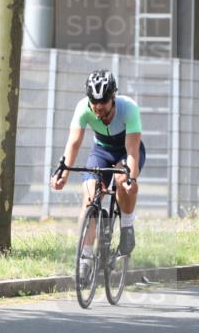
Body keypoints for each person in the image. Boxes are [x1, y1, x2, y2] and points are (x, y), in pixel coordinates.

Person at [50, 70, 145, 274]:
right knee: (90, 197)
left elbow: (132, 151)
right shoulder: (82, 108)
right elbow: (74, 143)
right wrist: (63, 174)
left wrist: (131, 179)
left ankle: (127, 225)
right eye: (94, 103)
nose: (98, 108)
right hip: (101, 151)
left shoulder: (128, 108)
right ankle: (85, 257)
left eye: (103, 104)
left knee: (122, 179)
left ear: (113, 98)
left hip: (126, 151)